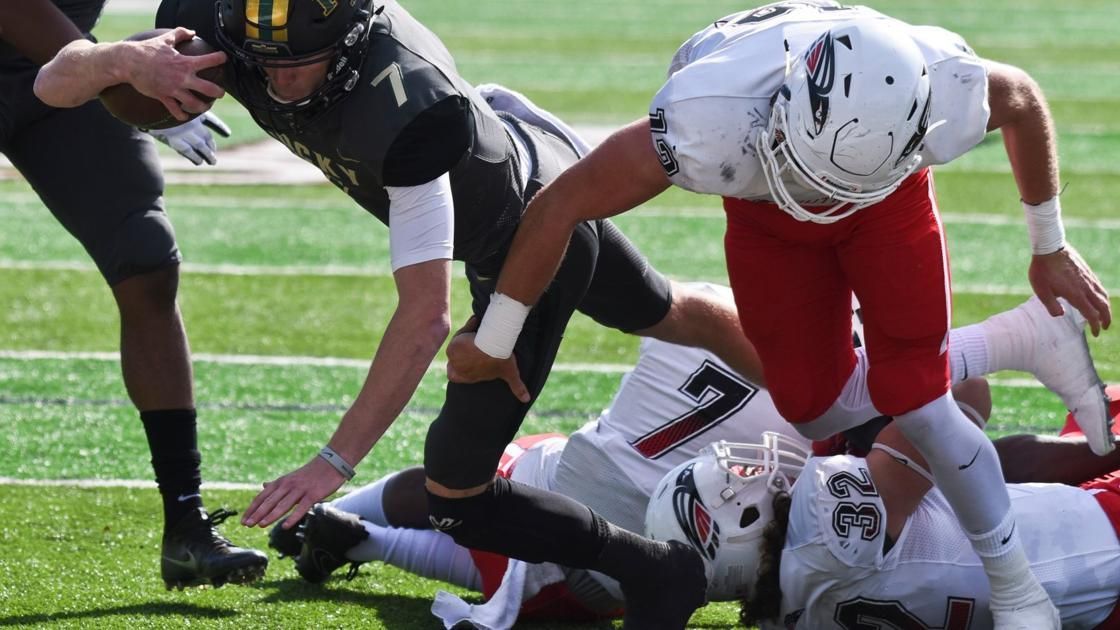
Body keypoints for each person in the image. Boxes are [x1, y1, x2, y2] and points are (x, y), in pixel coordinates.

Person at [35, 1, 783, 624]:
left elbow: (425, 317)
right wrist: (124, 63)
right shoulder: (239, 26)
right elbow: (50, 85)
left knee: (458, 497)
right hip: (524, 154)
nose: (284, 79)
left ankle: (656, 571)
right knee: (674, 313)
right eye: (269, 60)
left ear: (354, 40)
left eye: (305, 59)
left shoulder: (408, 109)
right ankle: (839, 416)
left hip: (525, 235)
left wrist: (331, 462)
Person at [446, 2, 1113, 626]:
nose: (833, 201)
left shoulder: (944, 80)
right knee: (817, 409)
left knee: (919, 396)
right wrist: (500, 334)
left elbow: (1021, 97)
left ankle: (1018, 589)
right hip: (770, 207)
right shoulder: (710, 115)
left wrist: (1049, 245)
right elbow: (560, 204)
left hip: (890, 197)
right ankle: (1020, 335)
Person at [272, 286, 1112, 628]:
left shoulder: (791, 599)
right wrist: (962, 360)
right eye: (742, 480)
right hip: (1095, 545)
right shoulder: (833, 515)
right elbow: (961, 419)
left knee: (524, 548)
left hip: (591, 491)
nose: (752, 467)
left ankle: (366, 533)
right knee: (943, 444)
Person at [2, 1, 266, 588]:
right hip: (51, 49)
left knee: (145, 255)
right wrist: (121, 67)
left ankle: (186, 526)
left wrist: (177, 69)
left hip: (50, 64)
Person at [644, 389, 1120, 629]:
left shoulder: (788, 615)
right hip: (1106, 532)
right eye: (738, 480)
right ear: (737, 525)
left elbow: (972, 469)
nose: (753, 471)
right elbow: (970, 394)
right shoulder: (823, 515)